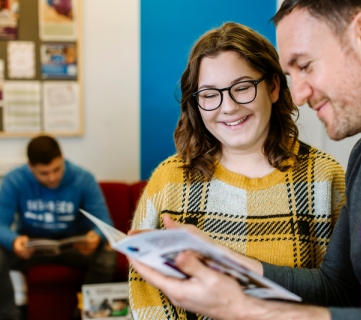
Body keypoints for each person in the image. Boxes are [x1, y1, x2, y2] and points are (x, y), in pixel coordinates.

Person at [128, 0, 361, 319]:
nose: (297, 94)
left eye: (305, 65)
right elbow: (337, 288)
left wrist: (240, 308)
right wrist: (229, 261)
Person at [128, 22, 346, 319]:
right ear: (197, 103)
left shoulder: (325, 177)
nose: (227, 107)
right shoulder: (169, 179)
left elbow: (340, 293)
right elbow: (144, 289)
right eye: (209, 94)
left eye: (242, 88)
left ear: (273, 87)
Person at [0, 135, 117, 320]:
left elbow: (104, 222)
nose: (52, 178)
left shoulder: (83, 179)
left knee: (107, 257)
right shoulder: (14, 180)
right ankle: (8, 316)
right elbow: (1, 224)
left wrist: (96, 237)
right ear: (30, 167)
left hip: (74, 245)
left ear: (62, 158)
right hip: (31, 245)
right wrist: (13, 241)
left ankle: (85, 315)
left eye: (56, 169)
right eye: (44, 173)